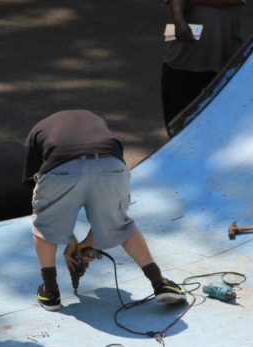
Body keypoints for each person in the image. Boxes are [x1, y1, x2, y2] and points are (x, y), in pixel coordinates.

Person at [23, 110, 185, 311]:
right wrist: (88, 243)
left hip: (61, 166)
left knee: (44, 227)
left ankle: (50, 291)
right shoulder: (97, 122)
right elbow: (104, 200)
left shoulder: (37, 131)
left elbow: (37, 189)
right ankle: (160, 283)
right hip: (110, 164)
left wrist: (68, 239)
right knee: (121, 223)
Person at [162, 0, 245, 132]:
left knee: (221, 131)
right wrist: (178, 18)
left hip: (223, 65)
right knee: (178, 130)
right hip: (181, 62)